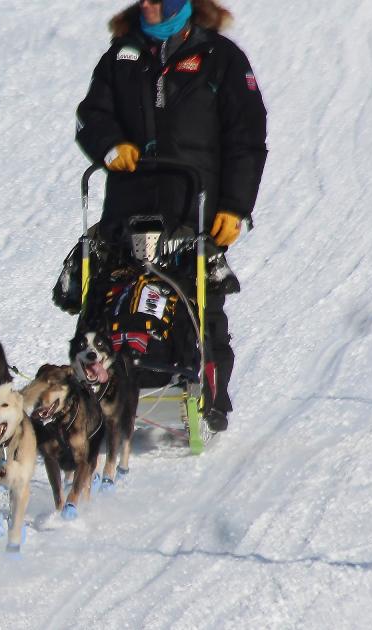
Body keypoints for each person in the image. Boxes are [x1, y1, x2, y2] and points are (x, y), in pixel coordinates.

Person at [74, 0, 267, 432]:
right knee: (106, 293)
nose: (147, 3)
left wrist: (236, 206)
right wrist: (110, 145)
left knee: (198, 297)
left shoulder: (221, 58)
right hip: (128, 203)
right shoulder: (121, 56)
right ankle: (94, 389)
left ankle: (209, 392)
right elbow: (92, 115)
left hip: (194, 204)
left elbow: (248, 138)